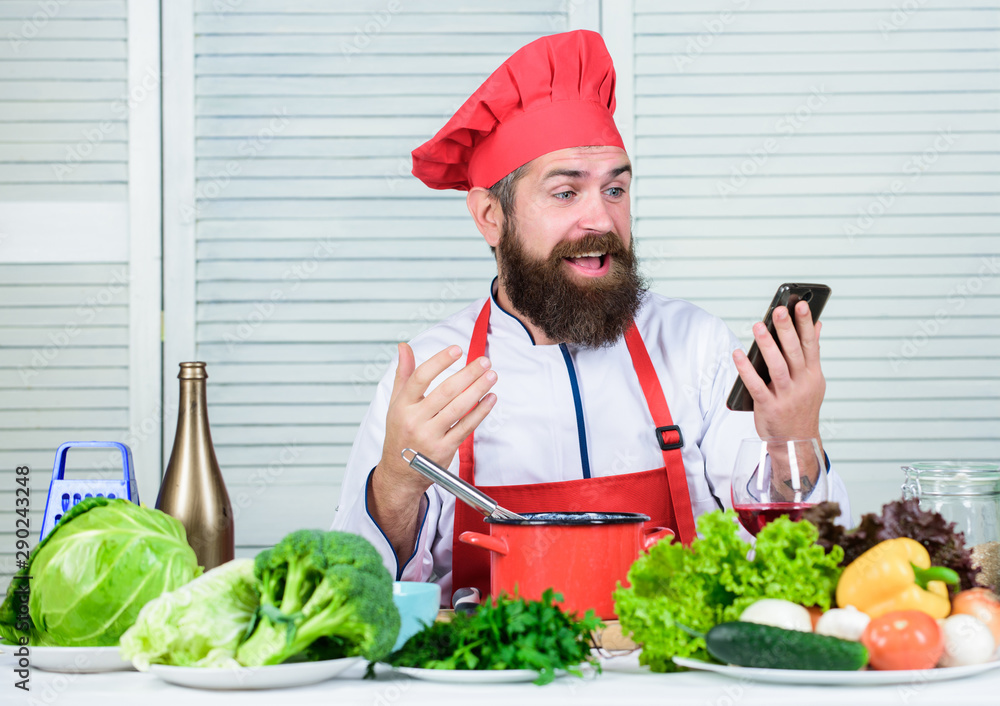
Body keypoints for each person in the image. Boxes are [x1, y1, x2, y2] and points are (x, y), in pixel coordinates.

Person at [332, 30, 850, 602]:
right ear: (489, 217)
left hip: (673, 657)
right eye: (565, 193)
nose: (600, 220)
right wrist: (398, 484)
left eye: (615, 190)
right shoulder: (430, 375)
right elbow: (355, 594)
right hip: (497, 660)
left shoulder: (696, 346)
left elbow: (801, 568)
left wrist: (793, 441)